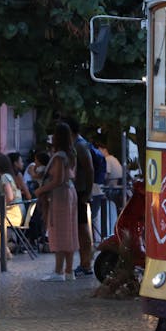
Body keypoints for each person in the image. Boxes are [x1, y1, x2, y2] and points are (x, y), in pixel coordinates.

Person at [35, 122, 79, 282]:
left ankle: (59, 270)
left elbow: (58, 180)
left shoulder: (60, 156)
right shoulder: (71, 153)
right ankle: (68, 270)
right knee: (69, 230)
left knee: (59, 230)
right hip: (70, 192)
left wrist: (41, 189)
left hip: (60, 195)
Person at [65, 118, 95, 278]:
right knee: (80, 228)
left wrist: (88, 192)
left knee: (82, 228)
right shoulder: (77, 145)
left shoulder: (80, 145)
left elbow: (89, 169)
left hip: (81, 192)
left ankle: (86, 263)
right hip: (80, 191)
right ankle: (85, 262)